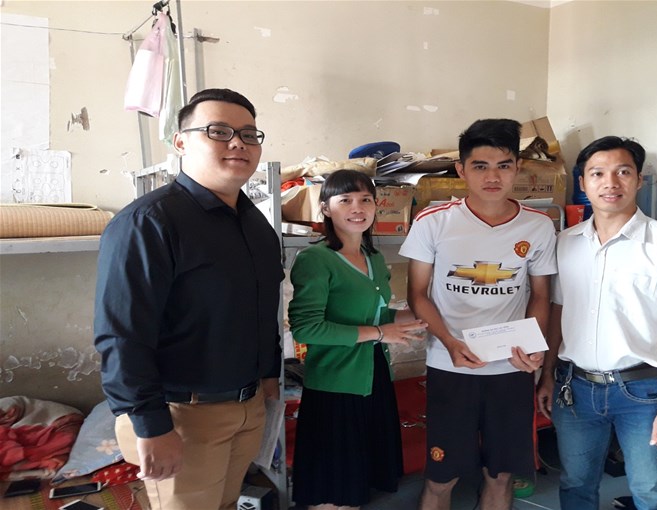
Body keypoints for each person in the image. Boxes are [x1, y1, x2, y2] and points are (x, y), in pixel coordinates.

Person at [94, 88, 283, 510]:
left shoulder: (256, 226)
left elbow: (261, 308)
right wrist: (151, 424)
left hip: (248, 406)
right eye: (219, 131)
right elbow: (122, 335)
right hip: (183, 416)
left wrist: (268, 376)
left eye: (249, 134)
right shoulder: (148, 223)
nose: (238, 143)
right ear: (181, 142)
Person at [536, 136, 657, 510]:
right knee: (576, 485)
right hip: (574, 388)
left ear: (638, 180)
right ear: (583, 183)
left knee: (652, 493)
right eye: (597, 173)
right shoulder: (565, 243)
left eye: (623, 172)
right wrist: (548, 373)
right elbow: (558, 312)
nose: (610, 183)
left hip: (642, 392)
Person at [399, 119, 557, 510]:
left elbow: (541, 295)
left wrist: (533, 346)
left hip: (511, 368)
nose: (492, 177)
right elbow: (417, 294)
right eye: (480, 166)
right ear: (461, 170)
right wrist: (449, 342)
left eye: (503, 165)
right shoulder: (433, 222)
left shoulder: (538, 226)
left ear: (517, 168)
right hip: (450, 364)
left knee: (500, 475)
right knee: (441, 476)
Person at [288, 169, 428, 510]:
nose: (357, 207)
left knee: (357, 481)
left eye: (366, 199)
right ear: (325, 208)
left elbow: (377, 317)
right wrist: (381, 334)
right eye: (345, 200)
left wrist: (420, 317)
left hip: (373, 375)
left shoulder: (374, 259)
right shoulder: (316, 260)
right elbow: (306, 328)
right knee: (333, 487)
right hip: (336, 383)